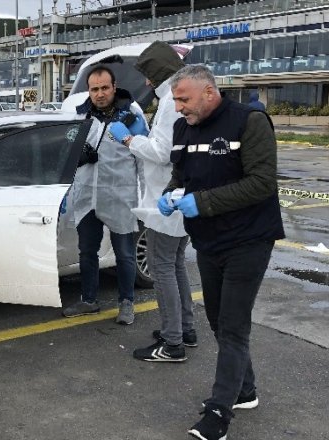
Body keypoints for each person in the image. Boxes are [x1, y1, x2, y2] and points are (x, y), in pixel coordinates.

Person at [159, 64, 285, 440]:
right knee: (216, 318)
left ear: (209, 93)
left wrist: (204, 202)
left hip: (248, 240)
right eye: (176, 100)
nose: (178, 107)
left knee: (232, 325)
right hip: (208, 241)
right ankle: (245, 390)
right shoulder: (183, 129)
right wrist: (171, 194)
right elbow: (181, 177)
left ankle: (218, 413)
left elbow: (262, 183)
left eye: (184, 99)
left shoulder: (249, 122)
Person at [122, 41, 197, 363]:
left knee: (163, 269)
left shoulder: (169, 101)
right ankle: (186, 328)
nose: (147, 83)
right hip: (177, 198)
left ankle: (172, 342)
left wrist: (130, 139)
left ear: (160, 72)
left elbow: (163, 153)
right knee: (176, 264)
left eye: (149, 76)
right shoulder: (178, 98)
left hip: (163, 199)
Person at [62, 64, 149, 325]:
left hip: (120, 195)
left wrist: (146, 196)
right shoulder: (80, 116)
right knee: (87, 251)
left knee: (124, 253)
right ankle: (89, 300)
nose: (99, 94)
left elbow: (144, 156)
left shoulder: (132, 116)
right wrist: (78, 155)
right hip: (87, 196)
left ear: (114, 87)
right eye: (94, 89)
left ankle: (127, 302)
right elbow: (65, 150)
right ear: (88, 91)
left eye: (104, 88)